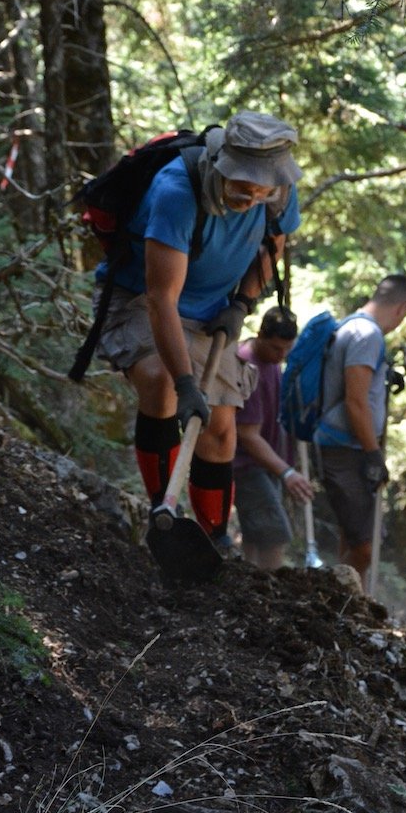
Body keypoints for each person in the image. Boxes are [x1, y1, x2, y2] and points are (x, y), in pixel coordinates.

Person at [93, 111, 302, 552]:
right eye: (244, 188)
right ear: (223, 165)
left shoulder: (280, 191)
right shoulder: (176, 189)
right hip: (139, 299)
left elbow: (273, 247)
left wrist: (242, 304)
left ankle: (214, 538)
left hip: (214, 311)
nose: (255, 198)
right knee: (162, 382)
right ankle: (162, 514)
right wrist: (188, 383)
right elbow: (160, 299)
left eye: (264, 190)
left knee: (222, 428)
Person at [314, 273, 406, 589]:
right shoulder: (366, 335)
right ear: (400, 309)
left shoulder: (352, 325)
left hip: (344, 446)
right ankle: (331, 600)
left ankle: (348, 609)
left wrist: (384, 375)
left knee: (353, 534)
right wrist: (373, 454)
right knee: (365, 545)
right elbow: (355, 401)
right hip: (345, 448)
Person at [233, 306, 315, 569]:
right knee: (274, 533)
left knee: (256, 533)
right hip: (246, 465)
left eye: (286, 350)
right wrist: (287, 473)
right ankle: (270, 588)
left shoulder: (272, 363)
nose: (281, 356)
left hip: (266, 463)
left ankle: (249, 583)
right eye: (276, 348)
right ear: (260, 335)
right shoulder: (246, 364)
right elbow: (247, 434)